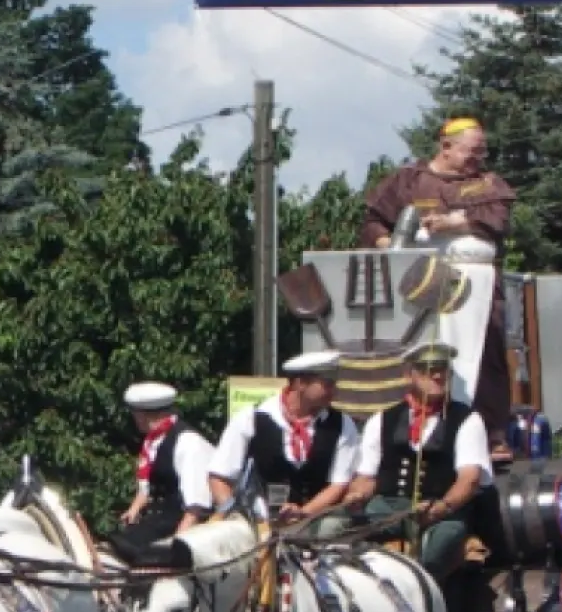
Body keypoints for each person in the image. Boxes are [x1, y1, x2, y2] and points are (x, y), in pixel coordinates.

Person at [360, 116, 517, 436]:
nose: (477, 158)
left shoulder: (488, 183)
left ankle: (486, 429)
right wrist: (389, 244)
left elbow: (497, 220)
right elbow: (373, 222)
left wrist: (453, 223)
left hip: (476, 281)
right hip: (424, 278)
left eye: (481, 151)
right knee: (423, 348)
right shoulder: (409, 180)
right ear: (446, 147)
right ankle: (425, 423)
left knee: (485, 352)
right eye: (471, 151)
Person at [343, 339, 492, 579]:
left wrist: (441, 507)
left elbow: (470, 479)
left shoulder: (467, 419)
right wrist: (356, 495)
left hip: (443, 512)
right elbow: (366, 476)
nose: (436, 376)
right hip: (389, 509)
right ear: (409, 375)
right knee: (338, 530)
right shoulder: (382, 419)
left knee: (435, 550)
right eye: (427, 370)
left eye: (442, 369)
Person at [202, 349, 359, 529]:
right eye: (327, 384)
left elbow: (338, 484)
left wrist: (302, 514)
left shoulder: (342, 424)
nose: (334, 391)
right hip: (257, 522)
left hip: (315, 522)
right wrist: (237, 516)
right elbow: (219, 476)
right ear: (301, 384)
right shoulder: (251, 418)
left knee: (332, 528)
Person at [115, 381, 213, 555]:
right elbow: (148, 487)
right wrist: (134, 509)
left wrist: (177, 547)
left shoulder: (187, 443)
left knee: (130, 550)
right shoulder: (153, 442)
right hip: (159, 520)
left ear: (143, 416)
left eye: (134, 414)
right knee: (116, 544)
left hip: (179, 524)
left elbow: (196, 508)